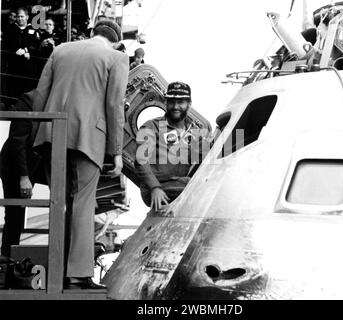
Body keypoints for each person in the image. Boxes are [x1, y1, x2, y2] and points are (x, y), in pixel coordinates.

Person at [33, 19, 129, 289]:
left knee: (58, 204)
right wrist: (116, 152)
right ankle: (77, 275)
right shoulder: (117, 57)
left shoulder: (61, 50)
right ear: (116, 40)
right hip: (88, 139)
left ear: (92, 33)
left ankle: (56, 269)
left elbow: (41, 93)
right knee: (84, 204)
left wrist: (38, 133)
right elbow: (114, 105)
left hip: (52, 133)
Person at [135, 81, 211, 212]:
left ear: (189, 104)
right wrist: (155, 188)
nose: (175, 106)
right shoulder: (151, 127)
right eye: (171, 102)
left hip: (180, 183)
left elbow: (205, 158)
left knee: (209, 188)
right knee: (199, 191)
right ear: (166, 103)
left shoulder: (194, 132)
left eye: (180, 102)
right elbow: (141, 161)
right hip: (156, 188)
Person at [0, 89, 46, 258]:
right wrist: (24, 177)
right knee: (14, 214)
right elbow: (17, 142)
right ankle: (7, 260)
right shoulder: (28, 100)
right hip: (15, 164)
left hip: (38, 160)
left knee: (64, 196)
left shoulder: (59, 97)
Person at [3, 7, 41, 100]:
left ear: (27, 17)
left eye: (22, 16)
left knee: (28, 91)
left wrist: (26, 51)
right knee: (13, 90)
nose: (20, 18)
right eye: (18, 16)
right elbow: (6, 45)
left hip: (28, 67)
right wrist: (15, 50)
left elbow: (36, 46)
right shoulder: (10, 29)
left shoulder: (33, 29)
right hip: (14, 66)